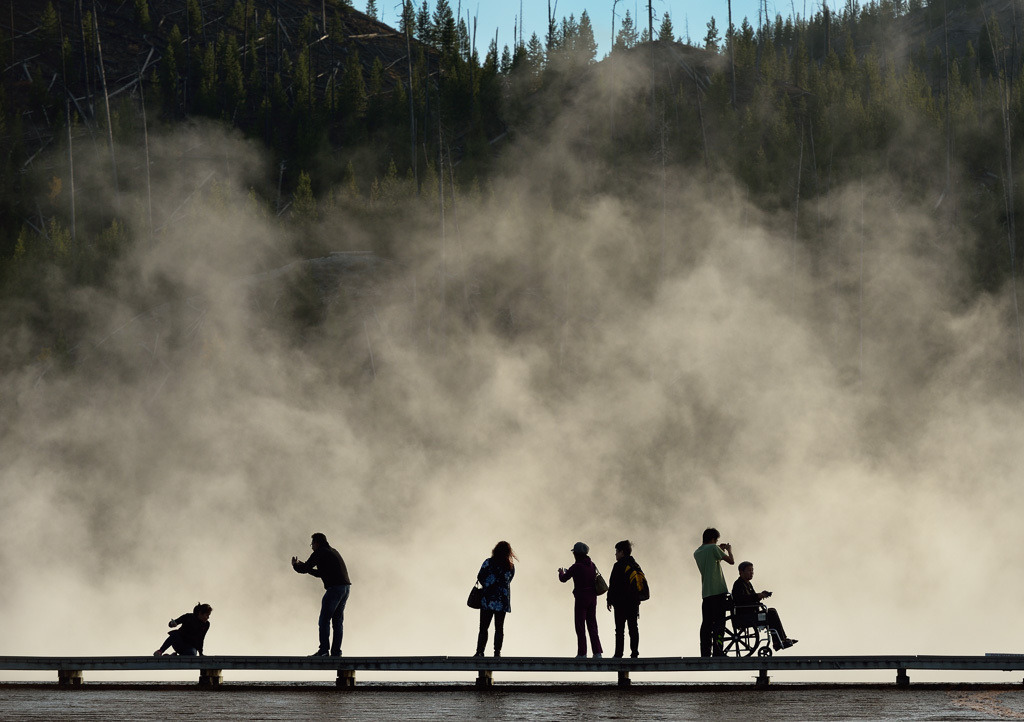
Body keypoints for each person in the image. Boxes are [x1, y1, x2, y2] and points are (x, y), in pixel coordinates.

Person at [292, 532, 352, 657]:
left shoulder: (320, 552)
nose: (312, 547)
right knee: (337, 622)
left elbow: (305, 569)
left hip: (334, 589)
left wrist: (296, 566)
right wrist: (302, 565)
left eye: (312, 544)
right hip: (345, 588)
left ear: (316, 543)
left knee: (324, 620)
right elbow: (320, 573)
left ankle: (324, 650)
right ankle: (336, 653)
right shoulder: (333, 551)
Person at [731, 561, 798, 651]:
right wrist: (758, 596)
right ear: (741, 572)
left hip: (750, 613)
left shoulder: (748, 584)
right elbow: (741, 599)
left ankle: (781, 639)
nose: (751, 573)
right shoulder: (738, 584)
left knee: (772, 611)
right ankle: (777, 642)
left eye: (752, 571)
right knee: (771, 613)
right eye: (749, 570)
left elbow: (752, 598)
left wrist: (762, 595)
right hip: (745, 615)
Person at [558, 541, 604, 659]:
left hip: (581, 599)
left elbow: (563, 579)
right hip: (592, 598)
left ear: (577, 554)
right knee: (592, 625)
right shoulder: (592, 565)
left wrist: (561, 572)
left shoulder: (576, 567)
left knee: (580, 626)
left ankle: (582, 653)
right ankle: (597, 652)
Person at [693, 527, 734, 657]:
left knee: (706, 624)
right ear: (713, 539)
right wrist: (728, 550)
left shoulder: (697, 552)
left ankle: (705, 652)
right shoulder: (713, 548)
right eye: (716, 540)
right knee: (720, 623)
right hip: (718, 591)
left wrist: (718, 549)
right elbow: (731, 561)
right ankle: (718, 650)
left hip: (706, 593)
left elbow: (710, 558)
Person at [474, 541, 517, 658]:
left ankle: (479, 652)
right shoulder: (510, 566)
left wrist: (488, 584)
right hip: (502, 602)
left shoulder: (488, 562)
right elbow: (509, 580)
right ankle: (497, 652)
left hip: (488, 600)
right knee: (499, 628)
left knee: (483, 627)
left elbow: (480, 576)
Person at [606, 539, 645, 658]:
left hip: (620, 603)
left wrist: (609, 600)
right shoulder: (635, 565)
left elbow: (612, 584)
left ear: (622, 552)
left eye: (616, 552)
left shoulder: (618, 565)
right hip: (633, 602)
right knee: (633, 628)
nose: (615, 554)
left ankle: (618, 654)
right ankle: (634, 652)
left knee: (619, 630)